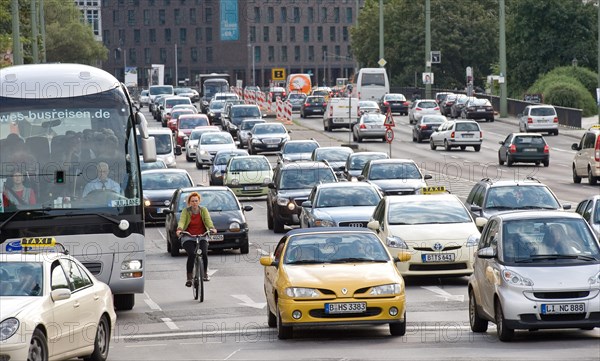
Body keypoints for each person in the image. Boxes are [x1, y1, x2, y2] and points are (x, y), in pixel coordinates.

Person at [176, 192, 217, 285]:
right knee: (191, 254)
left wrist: (211, 228)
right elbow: (182, 221)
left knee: (204, 253)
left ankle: (205, 273)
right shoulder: (186, 211)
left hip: (202, 235)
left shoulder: (203, 210)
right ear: (189, 202)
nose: (194, 203)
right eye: (192, 201)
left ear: (199, 201)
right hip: (188, 236)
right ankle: (189, 277)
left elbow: (208, 220)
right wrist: (179, 230)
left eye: (196, 201)